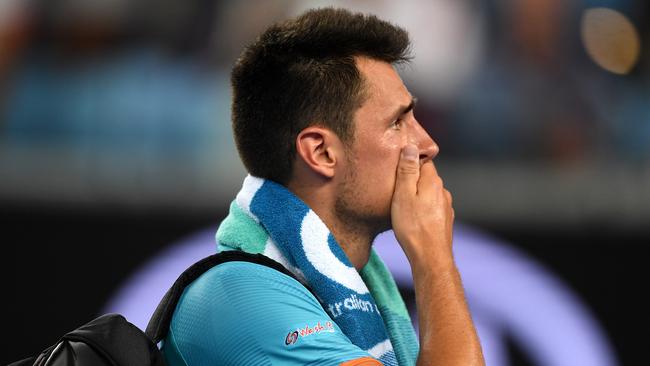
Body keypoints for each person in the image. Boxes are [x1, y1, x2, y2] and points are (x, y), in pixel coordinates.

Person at [161, 7, 485, 366]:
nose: (427, 145)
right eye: (397, 122)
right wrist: (434, 258)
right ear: (321, 152)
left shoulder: (361, 291)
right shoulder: (241, 294)